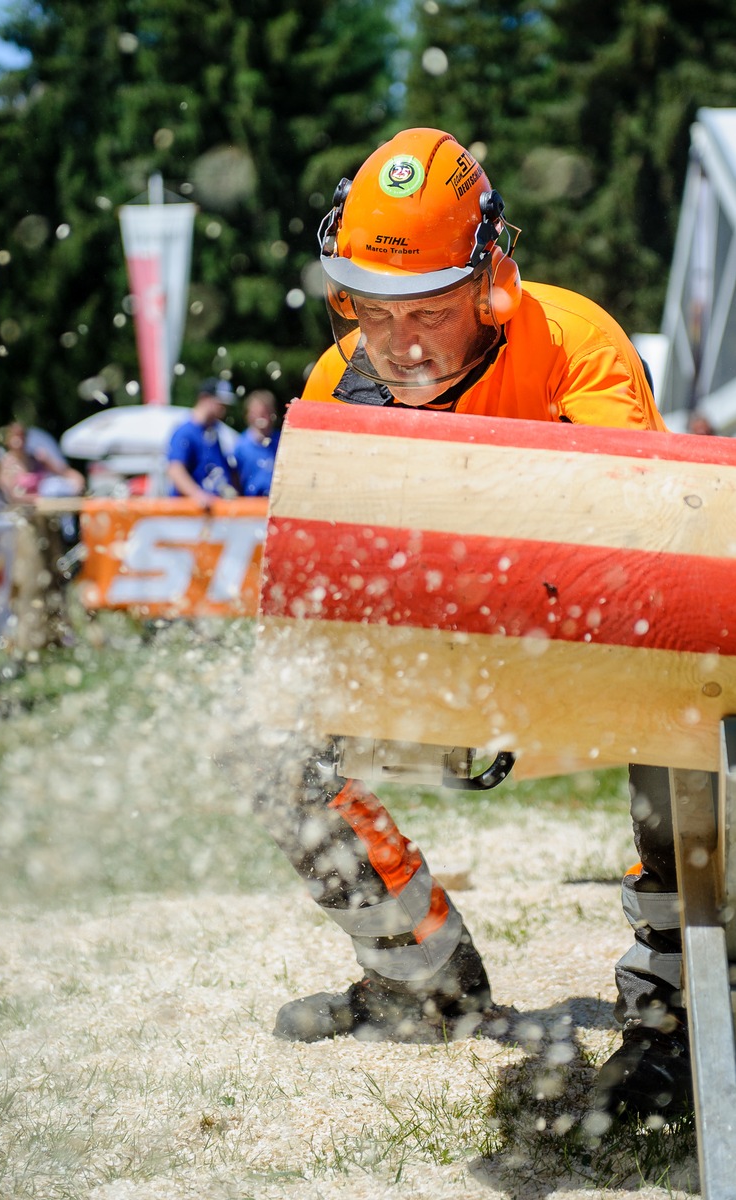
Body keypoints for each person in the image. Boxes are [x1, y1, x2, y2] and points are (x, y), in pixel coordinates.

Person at [255, 128, 693, 1123]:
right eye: (375, 312)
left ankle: (675, 1015)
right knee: (264, 738)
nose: (401, 342)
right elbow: (308, 578)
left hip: (590, 652)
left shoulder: (575, 344)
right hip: (432, 659)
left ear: (493, 285)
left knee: (699, 727)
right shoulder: (342, 384)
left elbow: (637, 543)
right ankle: (421, 979)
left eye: (432, 313)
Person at [166, 377, 239, 506]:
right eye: (219, 403)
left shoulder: (216, 432)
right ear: (204, 398)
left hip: (213, 514)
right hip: (191, 516)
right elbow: (175, 469)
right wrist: (197, 494)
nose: (223, 408)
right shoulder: (186, 432)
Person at [233, 389, 280, 497]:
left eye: (265, 413)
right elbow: (234, 479)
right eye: (257, 413)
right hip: (251, 504)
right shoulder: (240, 446)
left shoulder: (281, 442)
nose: (262, 418)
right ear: (249, 415)